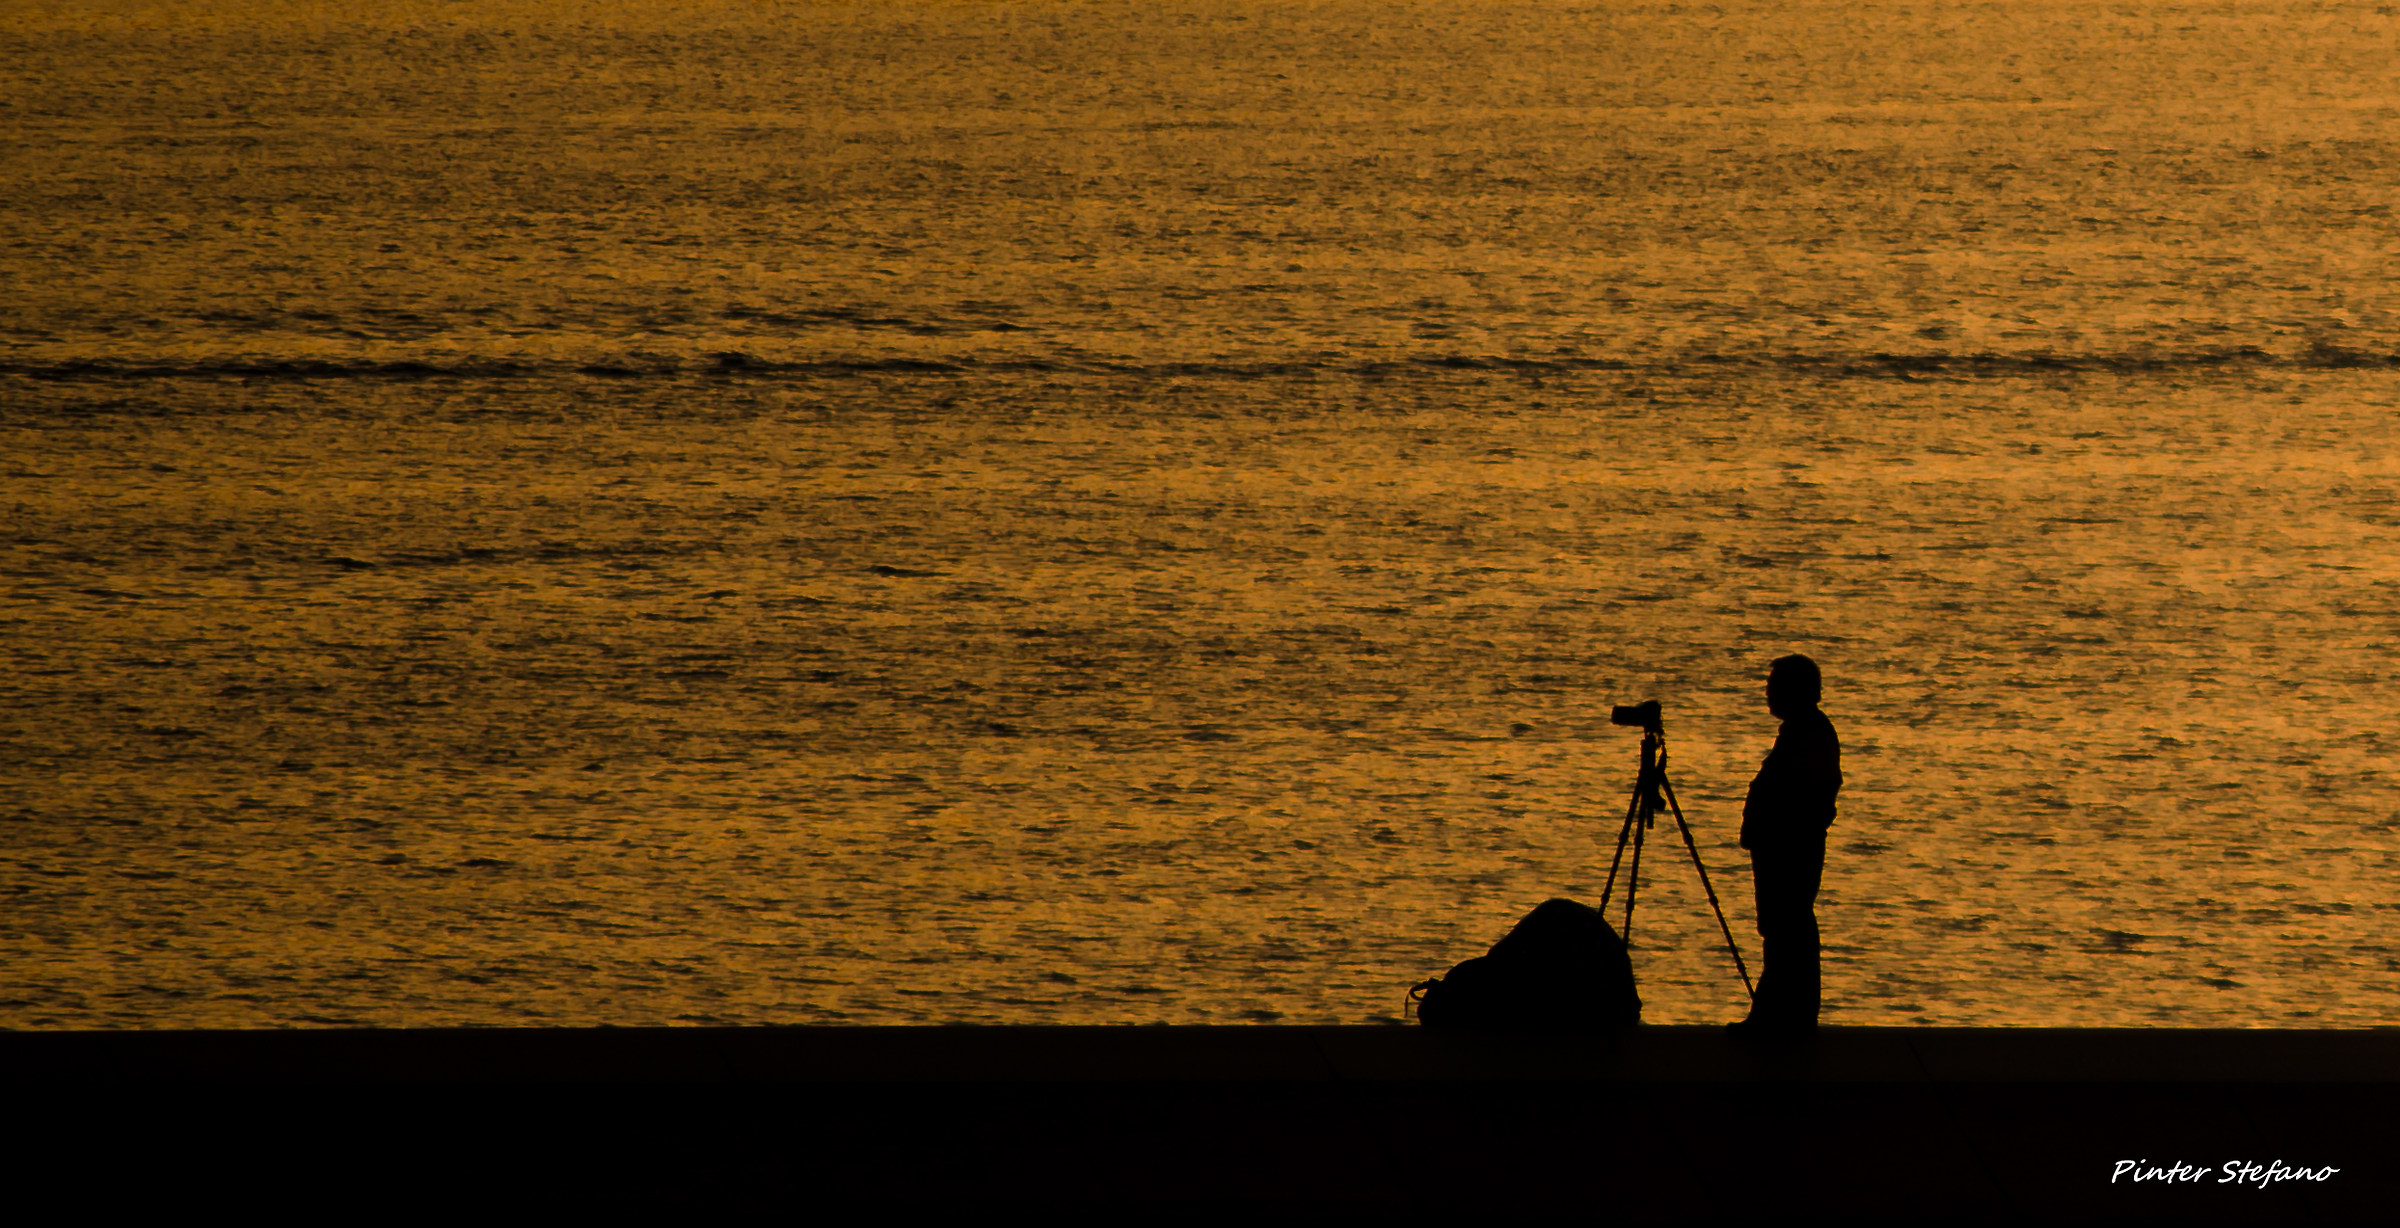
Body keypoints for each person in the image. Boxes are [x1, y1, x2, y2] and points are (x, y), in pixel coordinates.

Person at [1731, 653, 1841, 1033]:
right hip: (1782, 848)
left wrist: (1777, 832)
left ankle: (1780, 1016)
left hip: (1790, 851)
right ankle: (1784, 1014)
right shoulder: (1803, 730)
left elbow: (1813, 798)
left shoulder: (1811, 734)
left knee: (1787, 931)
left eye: (1774, 686)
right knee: (1783, 930)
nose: (1768, 694)